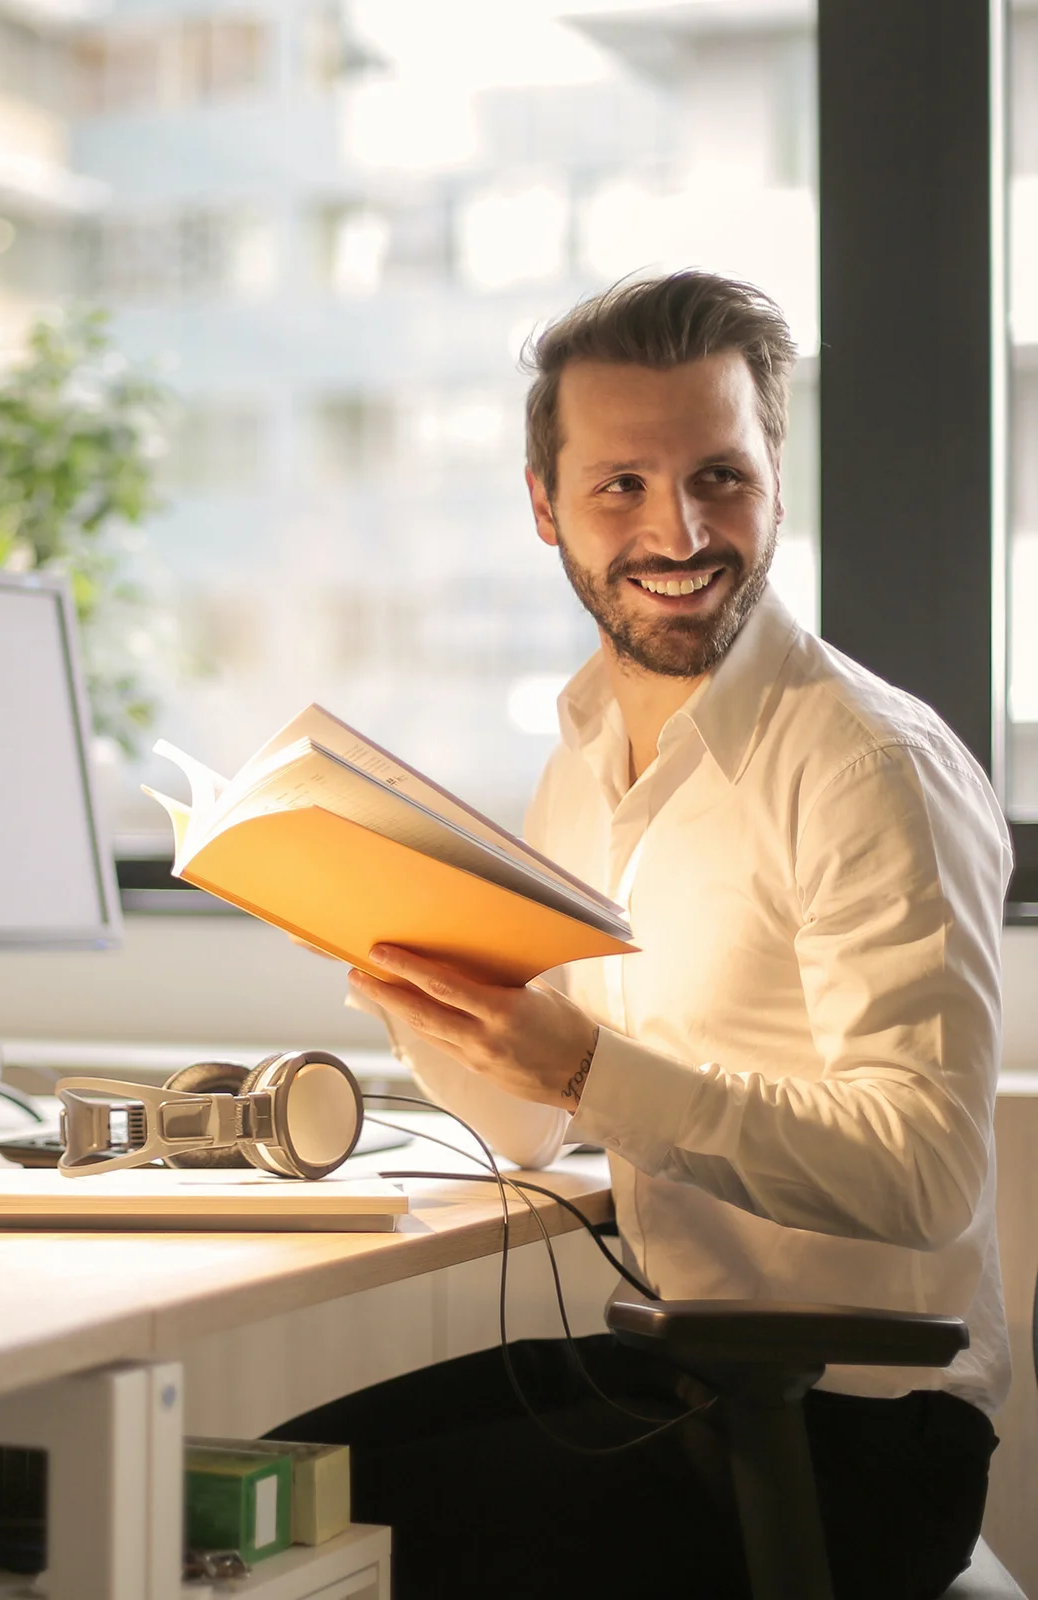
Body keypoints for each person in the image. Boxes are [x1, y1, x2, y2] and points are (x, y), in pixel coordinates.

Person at [271, 271, 1012, 1600]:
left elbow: (926, 1172)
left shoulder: (865, 763)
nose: (679, 528)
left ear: (775, 478)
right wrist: (409, 981)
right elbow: (527, 1135)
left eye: (720, 476)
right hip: (681, 1370)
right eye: (622, 485)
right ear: (544, 507)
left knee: (301, 1549)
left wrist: (580, 1067)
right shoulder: (585, 757)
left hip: (862, 1431)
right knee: (264, 1484)